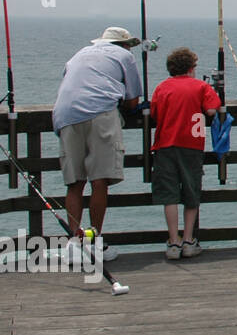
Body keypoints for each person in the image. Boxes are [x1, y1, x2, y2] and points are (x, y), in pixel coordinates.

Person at [51, 26, 144, 261]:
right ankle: (94, 241)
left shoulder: (79, 54)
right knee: (99, 180)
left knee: (74, 182)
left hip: (64, 115)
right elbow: (133, 101)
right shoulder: (125, 56)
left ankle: (74, 242)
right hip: (100, 113)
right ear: (124, 44)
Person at [150, 47, 221, 259]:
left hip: (165, 145)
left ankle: (173, 242)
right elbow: (211, 110)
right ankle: (189, 240)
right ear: (191, 68)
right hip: (192, 144)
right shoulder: (201, 87)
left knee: (169, 194)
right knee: (191, 192)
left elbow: (154, 112)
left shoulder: (162, 88)